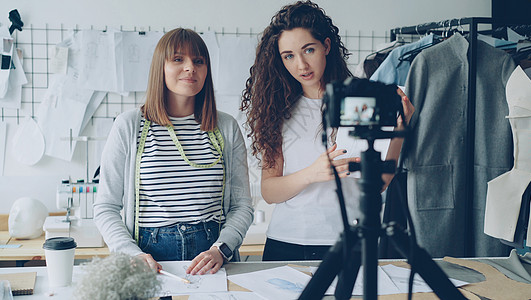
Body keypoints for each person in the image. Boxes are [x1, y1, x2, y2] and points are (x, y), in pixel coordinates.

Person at [241, 0, 414, 261]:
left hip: (351, 242)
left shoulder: (360, 100)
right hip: (287, 243)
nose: (301, 64)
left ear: (326, 46)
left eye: (308, 50)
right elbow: (270, 190)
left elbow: (379, 182)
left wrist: (401, 128)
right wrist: (312, 173)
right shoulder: (276, 108)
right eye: (289, 56)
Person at [94, 28, 253, 275]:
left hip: (212, 260)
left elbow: (242, 205)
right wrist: (130, 253)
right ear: (161, 67)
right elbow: (105, 207)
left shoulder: (226, 127)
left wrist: (221, 249)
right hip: (148, 261)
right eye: (178, 59)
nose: (190, 67)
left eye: (198, 61)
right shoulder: (129, 126)